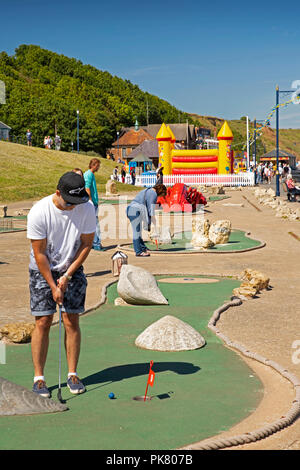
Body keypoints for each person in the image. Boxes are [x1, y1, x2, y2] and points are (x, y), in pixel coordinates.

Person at [27, 172, 96, 398]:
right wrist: (53, 285)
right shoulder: (39, 212)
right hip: (42, 268)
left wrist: (67, 276)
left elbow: (86, 244)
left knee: (71, 319)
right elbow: (39, 253)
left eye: (77, 203)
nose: (72, 208)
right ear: (58, 193)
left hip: (72, 266)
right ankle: (39, 378)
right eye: (68, 203)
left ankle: (72, 373)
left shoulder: (85, 207)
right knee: (44, 321)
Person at [126, 184, 167, 257]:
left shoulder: (148, 190)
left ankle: (143, 248)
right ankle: (138, 252)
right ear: (161, 191)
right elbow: (151, 209)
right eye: (162, 195)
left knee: (138, 231)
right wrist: (153, 221)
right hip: (135, 210)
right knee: (137, 232)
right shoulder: (153, 194)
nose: (160, 197)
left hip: (130, 209)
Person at [84, 158, 103, 251]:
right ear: (94, 165)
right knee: (96, 224)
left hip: (93, 202)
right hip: (92, 203)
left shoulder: (90, 174)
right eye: (98, 166)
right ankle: (96, 243)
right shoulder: (89, 174)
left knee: (91, 223)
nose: (98, 168)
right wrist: (91, 201)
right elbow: (87, 188)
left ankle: (93, 243)